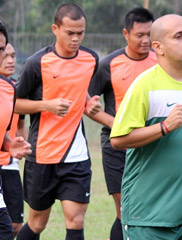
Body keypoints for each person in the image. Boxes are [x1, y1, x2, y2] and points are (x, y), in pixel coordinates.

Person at [110, 14, 182, 239]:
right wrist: (164, 126)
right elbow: (118, 139)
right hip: (149, 213)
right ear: (158, 47)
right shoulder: (144, 85)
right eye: (179, 36)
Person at [15, 4, 101, 240]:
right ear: (55, 29)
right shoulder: (36, 63)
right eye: (70, 33)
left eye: (80, 33)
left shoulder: (91, 59)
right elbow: (14, 103)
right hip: (43, 155)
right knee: (37, 223)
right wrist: (46, 105)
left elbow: (80, 91)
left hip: (76, 156)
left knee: (76, 221)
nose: (76, 38)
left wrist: (89, 102)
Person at [86, 7, 155, 240]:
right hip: (118, 148)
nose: (146, 40)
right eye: (139, 35)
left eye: (149, 34)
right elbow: (88, 105)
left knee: (150, 210)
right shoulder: (108, 65)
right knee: (124, 211)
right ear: (126, 34)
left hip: (152, 145)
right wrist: (116, 123)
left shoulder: (162, 61)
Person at [0, 21, 31, 240]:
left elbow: (11, 128)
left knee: (9, 228)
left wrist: (11, 145)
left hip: (6, 164)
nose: (5, 57)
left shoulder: (9, 89)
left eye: (2, 50)